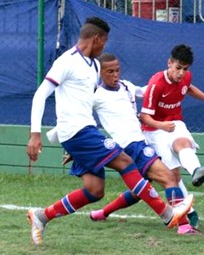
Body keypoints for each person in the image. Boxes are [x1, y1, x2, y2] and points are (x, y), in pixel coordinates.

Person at [26, 17, 193, 246]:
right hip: (77, 132)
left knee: (95, 191)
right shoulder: (67, 62)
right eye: (103, 42)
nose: (104, 47)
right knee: (125, 161)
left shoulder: (94, 66)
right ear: (96, 38)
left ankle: (40, 216)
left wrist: (76, 148)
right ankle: (167, 215)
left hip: (82, 134)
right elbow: (40, 94)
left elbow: (82, 103)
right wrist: (36, 134)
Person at [76, 53, 198, 235]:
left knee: (139, 190)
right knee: (169, 178)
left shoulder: (126, 86)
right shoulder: (96, 95)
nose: (115, 75)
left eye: (117, 70)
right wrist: (73, 143)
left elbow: (147, 90)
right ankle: (184, 226)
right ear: (100, 73)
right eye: (110, 72)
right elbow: (79, 117)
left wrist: (170, 83)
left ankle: (102, 213)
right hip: (131, 146)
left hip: (140, 142)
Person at [140, 44, 204, 208]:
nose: (181, 73)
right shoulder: (156, 84)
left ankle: (196, 171)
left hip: (174, 123)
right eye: (178, 68)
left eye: (185, 69)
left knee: (183, 143)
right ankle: (187, 211)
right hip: (154, 131)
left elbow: (188, 88)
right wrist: (161, 125)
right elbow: (144, 117)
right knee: (172, 176)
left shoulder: (186, 77)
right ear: (169, 63)